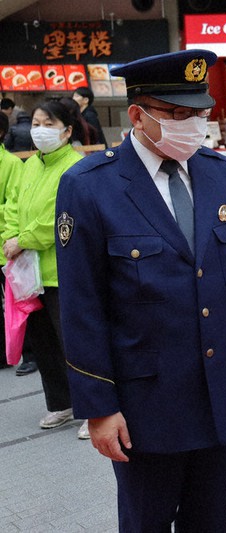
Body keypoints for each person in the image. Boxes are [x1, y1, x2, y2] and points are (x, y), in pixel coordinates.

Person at [55, 49, 226, 532]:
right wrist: (99, 407)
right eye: (176, 115)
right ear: (137, 115)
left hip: (220, 391)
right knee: (146, 521)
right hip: (144, 405)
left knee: (210, 519)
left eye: (198, 114)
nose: (192, 126)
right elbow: (81, 306)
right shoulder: (90, 186)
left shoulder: (220, 175)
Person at [2, 100, 83, 433]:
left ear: (67, 131)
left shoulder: (75, 168)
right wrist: (9, 238)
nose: (40, 130)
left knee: (73, 342)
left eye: (48, 124)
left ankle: (95, 409)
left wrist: (24, 239)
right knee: (44, 341)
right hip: (29, 272)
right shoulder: (29, 165)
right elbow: (11, 207)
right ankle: (61, 403)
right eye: (36, 122)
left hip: (62, 271)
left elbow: (61, 219)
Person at [0, 112, 23, 370]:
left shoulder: (11, 164)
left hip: (7, 244)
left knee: (16, 303)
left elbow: (13, 205)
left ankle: (24, 353)